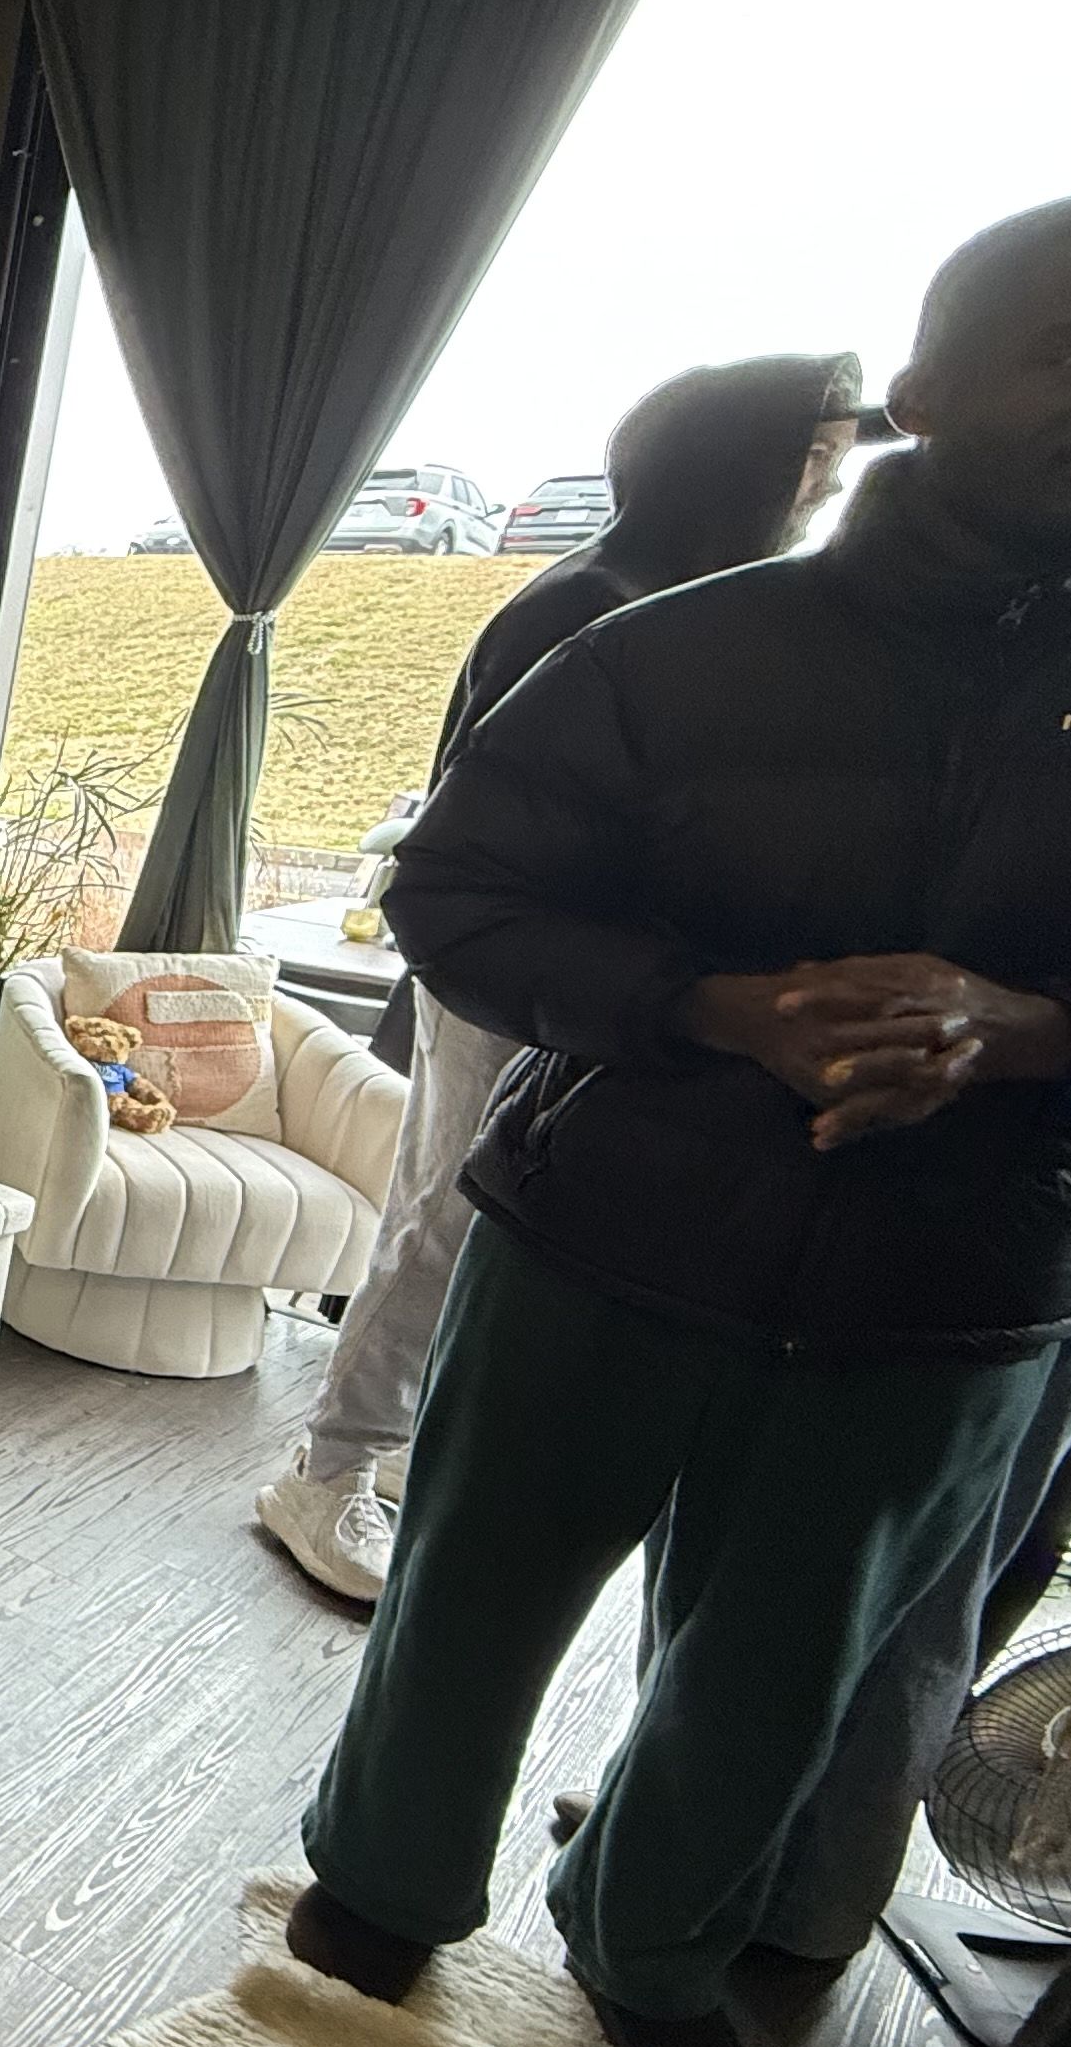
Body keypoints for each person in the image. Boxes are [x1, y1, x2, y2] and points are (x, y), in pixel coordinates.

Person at [290, 186, 1071, 2047]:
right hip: (608, 1233)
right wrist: (720, 1009)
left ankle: (653, 1959)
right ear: (923, 388)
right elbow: (459, 901)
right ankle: (385, 1884)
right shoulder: (681, 653)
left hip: (966, 1279)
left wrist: (1028, 1036)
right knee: (475, 1593)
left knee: (785, 1673)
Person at [256, 357, 876, 1603]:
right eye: (814, 452)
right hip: (518, 963)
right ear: (738, 461)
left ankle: (419, 1459)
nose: (830, 479)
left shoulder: (721, 607)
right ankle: (329, 1471)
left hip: (614, 980)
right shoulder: (585, 605)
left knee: (497, 1222)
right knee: (449, 1208)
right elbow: (484, 842)